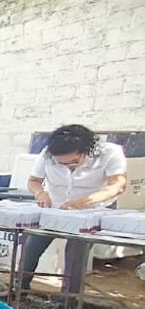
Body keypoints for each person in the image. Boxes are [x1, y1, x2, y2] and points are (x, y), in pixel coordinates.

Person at [19, 124, 128, 299]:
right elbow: (34, 181)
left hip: (91, 211)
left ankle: (67, 301)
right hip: (55, 209)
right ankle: (18, 289)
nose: (68, 167)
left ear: (86, 150)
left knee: (76, 253)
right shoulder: (47, 153)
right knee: (32, 246)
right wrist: (40, 193)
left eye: (74, 162)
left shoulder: (110, 153)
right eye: (61, 164)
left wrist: (84, 201)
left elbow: (118, 185)